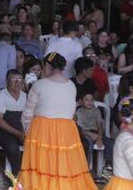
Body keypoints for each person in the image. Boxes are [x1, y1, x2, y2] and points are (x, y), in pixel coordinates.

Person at [19, 52, 96, 190]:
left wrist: (27, 131)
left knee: (43, 163)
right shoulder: (71, 86)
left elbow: (27, 113)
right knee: (63, 164)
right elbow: (72, 112)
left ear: (48, 65)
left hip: (42, 128)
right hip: (66, 130)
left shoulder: (40, 85)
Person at [0, 69, 27, 175]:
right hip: (4, 133)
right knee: (12, 147)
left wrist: (24, 133)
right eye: (13, 79)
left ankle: (31, 173)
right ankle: (16, 174)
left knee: (37, 144)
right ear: (6, 81)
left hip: (22, 131)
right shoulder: (0, 96)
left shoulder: (25, 96)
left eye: (19, 79)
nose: (17, 82)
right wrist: (18, 133)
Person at [75, 92, 113, 180]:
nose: (89, 102)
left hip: (97, 133)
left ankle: (107, 167)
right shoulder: (79, 111)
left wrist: (99, 137)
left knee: (109, 142)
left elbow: (99, 125)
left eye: (92, 99)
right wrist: (91, 134)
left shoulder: (96, 110)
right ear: (81, 101)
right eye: (86, 99)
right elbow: (80, 129)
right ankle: (86, 167)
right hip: (85, 133)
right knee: (88, 144)